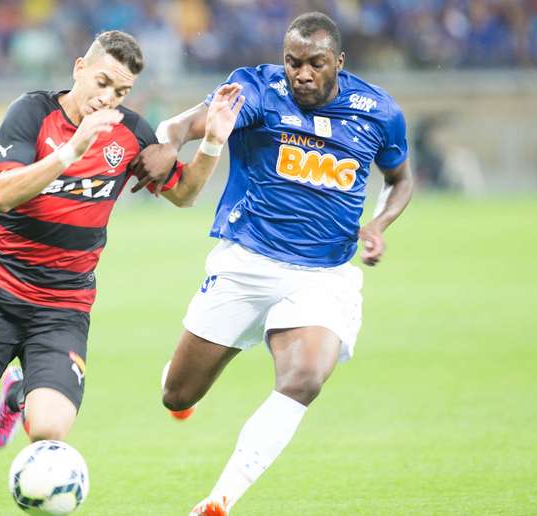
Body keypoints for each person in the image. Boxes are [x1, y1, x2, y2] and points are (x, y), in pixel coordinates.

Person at [0, 30, 244, 515]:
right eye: (102, 82)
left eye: (120, 92)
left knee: (49, 432)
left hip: (62, 304)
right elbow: (3, 193)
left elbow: (183, 195)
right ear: (80, 67)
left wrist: (210, 144)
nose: (108, 98)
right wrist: (69, 153)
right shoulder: (32, 113)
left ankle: (21, 392)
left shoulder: (130, 133)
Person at [138, 12, 414, 515]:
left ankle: (221, 499)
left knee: (305, 377)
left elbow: (399, 179)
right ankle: (217, 352)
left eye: (315, 63)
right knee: (176, 396)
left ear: (339, 63)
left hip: (322, 276)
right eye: (293, 62)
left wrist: (377, 225)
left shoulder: (377, 110)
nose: (302, 74)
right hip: (246, 264)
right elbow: (184, 123)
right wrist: (167, 143)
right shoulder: (256, 90)